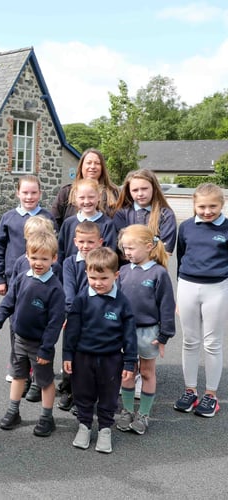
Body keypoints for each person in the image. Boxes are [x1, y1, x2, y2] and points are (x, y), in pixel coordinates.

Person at [0, 232, 65, 437]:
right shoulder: (22, 277)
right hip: (20, 340)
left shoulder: (55, 289)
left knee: (44, 381)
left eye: (44, 258)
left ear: (54, 259)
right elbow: (8, 302)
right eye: (34, 258)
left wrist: (46, 347)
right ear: (26, 256)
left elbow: (55, 323)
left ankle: (46, 417)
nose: (38, 263)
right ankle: (13, 411)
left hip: (40, 345)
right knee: (18, 375)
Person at [63, 247, 137, 454]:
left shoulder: (122, 303)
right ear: (86, 273)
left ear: (116, 275)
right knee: (83, 393)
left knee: (108, 396)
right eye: (93, 277)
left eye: (104, 278)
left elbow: (129, 335)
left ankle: (105, 429)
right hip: (82, 357)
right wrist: (67, 355)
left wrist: (130, 362)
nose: (98, 283)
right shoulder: (81, 299)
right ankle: (84, 425)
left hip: (111, 359)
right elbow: (72, 330)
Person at [173, 183, 228, 417]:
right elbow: (181, 256)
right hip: (187, 286)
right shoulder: (185, 227)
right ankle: (190, 391)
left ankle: (211, 395)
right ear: (194, 205)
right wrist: (178, 293)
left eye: (212, 206)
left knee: (212, 343)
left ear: (222, 204)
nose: (207, 211)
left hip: (216, 288)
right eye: (202, 206)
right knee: (190, 341)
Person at [116, 224, 175, 434]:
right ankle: (128, 411)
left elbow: (167, 306)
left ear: (149, 246)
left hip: (149, 332)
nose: (126, 253)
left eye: (131, 248)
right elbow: (115, 302)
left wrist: (164, 335)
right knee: (127, 372)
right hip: (125, 331)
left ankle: (144, 414)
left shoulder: (159, 273)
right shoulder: (122, 271)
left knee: (147, 372)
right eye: (124, 248)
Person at [57, 221, 104, 412]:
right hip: (74, 316)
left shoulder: (103, 262)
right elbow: (69, 292)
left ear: (100, 242)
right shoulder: (69, 263)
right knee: (70, 353)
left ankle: (84, 396)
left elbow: (101, 290)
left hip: (95, 318)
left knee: (89, 357)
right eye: (82, 242)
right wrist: (74, 315)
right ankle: (68, 390)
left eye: (91, 242)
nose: (86, 246)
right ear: (75, 242)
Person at [0, 174, 55, 296]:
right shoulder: (8, 218)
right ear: (18, 193)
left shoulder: (48, 217)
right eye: (25, 192)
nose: (29, 197)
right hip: (14, 277)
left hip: (43, 276)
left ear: (40, 193)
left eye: (33, 193)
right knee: (16, 312)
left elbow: (54, 248)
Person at [113, 169, 177, 255]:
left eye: (144, 188)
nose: (140, 194)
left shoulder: (166, 215)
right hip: (127, 266)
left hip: (155, 266)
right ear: (129, 191)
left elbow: (166, 251)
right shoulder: (121, 214)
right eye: (135, 190)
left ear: (154, 188)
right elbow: (121, 249)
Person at [51, 148, 119, 228]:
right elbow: (53, 222)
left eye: (97, 163)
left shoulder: (114, 193)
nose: (92, 166)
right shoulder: (66, 192)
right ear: (81, 166)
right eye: (89, 163)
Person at [56, 178, 117, 264]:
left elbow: (109, 254)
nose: (87, 201)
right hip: (70, 273)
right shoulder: (68, 223)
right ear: (75, 198)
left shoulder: (107, 224)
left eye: (91, 197)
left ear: (99, 197)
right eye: (82, 197)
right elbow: (60, 251)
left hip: (98, 273)